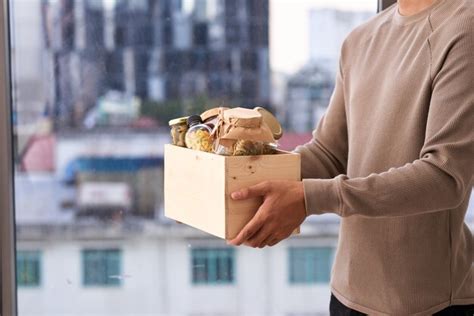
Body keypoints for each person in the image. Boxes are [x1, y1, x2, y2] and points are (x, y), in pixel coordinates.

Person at [227, 0, 474, 314]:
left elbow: (444, 176)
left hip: (427, 304)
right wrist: (243, 179)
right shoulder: (360, 40)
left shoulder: (465, 26)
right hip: (345, 295)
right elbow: (329, 152)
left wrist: (307, 198)